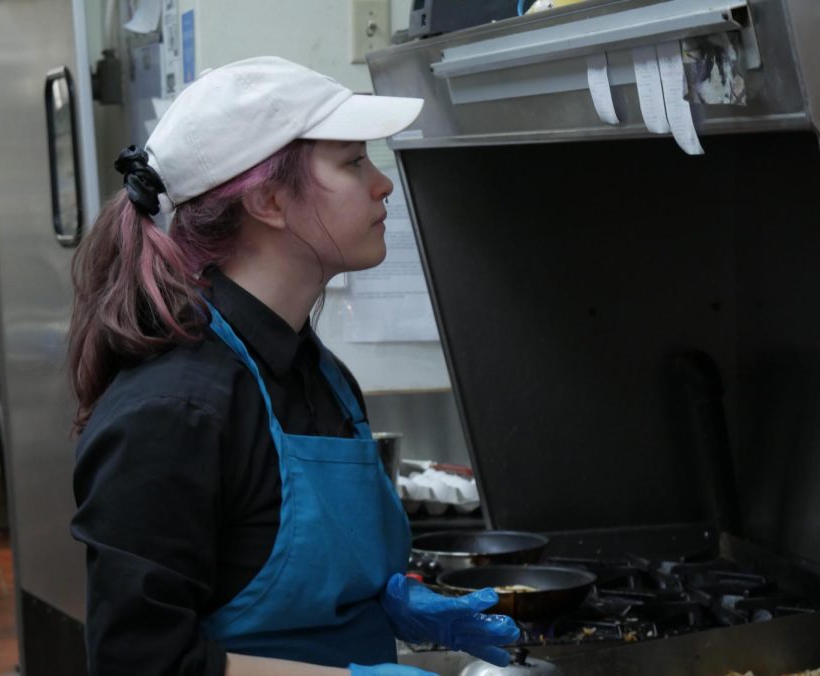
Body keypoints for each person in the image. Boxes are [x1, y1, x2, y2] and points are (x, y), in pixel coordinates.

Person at [67, 56, 519, 676]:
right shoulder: (175, 409)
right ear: (270, 201)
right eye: (353, 162)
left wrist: (381, 606)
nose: (381, 184)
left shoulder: (321, 376)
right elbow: (138, 662)